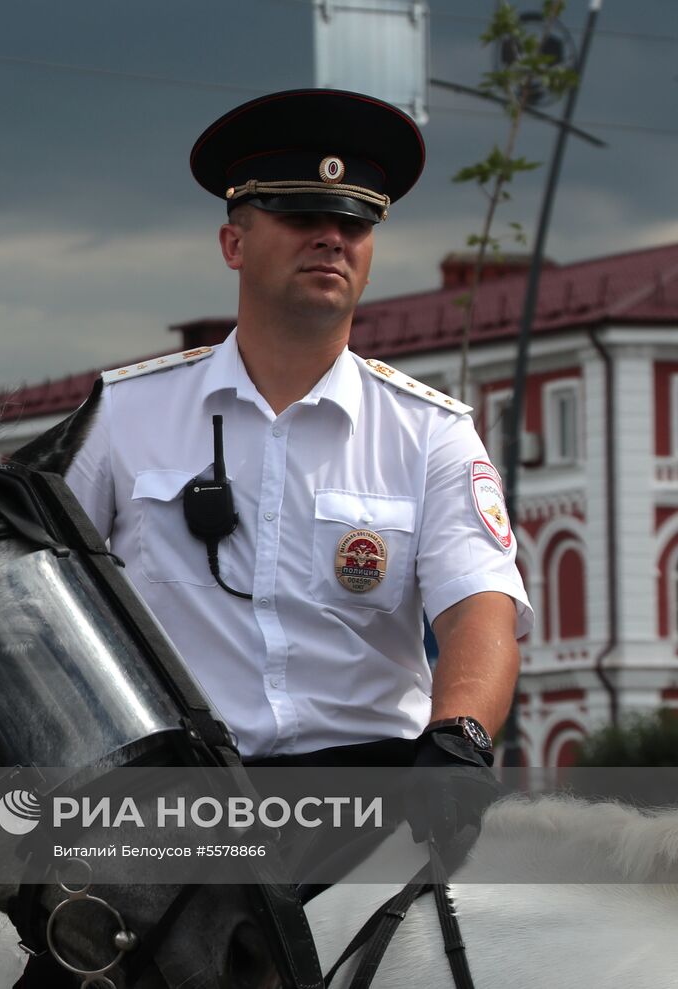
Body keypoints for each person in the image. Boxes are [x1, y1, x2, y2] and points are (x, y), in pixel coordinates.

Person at [64, 89, 534, 861]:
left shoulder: (431, 433)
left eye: (354, 223)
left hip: (368, 807)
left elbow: (480, 611)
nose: (332, 239)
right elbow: (38, 595)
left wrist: (460, 736)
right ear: (233, 243)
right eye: (301, 216)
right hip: (175, 808)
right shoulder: (125, 415)